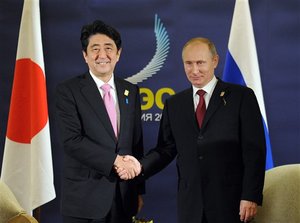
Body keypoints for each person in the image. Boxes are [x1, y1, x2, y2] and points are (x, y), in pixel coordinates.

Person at [119, 37, 266, 223]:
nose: (194, 70)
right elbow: (165, 149)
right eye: (188, 63)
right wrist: (139, 166)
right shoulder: (174, 104)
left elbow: (254, 152)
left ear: (215, 61)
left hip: (231, 203)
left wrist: (250, 196)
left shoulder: (241, 97)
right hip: (191, 205)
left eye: (200, 63)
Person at [55, 20, 143, 223]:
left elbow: (135, 143)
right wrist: (115, 161)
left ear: (118, 53)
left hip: (123, 198)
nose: (102, 55)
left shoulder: (130, 90)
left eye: (109, 48)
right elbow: (72, 141)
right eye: (95, 49)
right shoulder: (68, 91)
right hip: (84, 201)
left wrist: (138, 189)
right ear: (85, 55)